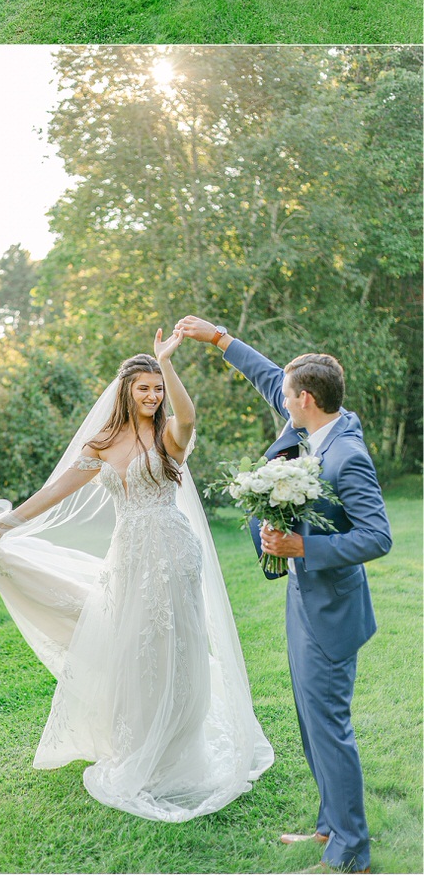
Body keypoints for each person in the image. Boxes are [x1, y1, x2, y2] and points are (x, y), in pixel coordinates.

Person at [0, 328, 274, 822]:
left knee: (173, 644)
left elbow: (188, 417)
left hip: (171, 550)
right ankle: (139, 741)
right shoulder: (103, 442)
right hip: (128, 554)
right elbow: (55, 491)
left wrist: (166, 362)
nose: (152, 396)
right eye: (144, 388)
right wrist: (2, 525)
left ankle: (178, 746)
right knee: (133, 647)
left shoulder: (169, 435)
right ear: (126, 391)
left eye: (158, 389)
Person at [175, 315, 393, 874]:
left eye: (289, 396)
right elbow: (271, 377)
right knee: (311, 724)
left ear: (307, 400)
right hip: (303, 599)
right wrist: (220, 338)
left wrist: (303, 547)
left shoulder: (346, 455)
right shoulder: (315, 426)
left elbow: (378, 536)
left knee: (329, 727)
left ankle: (352, 851)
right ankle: (329, 827)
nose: (282, 399)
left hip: (331, 610)